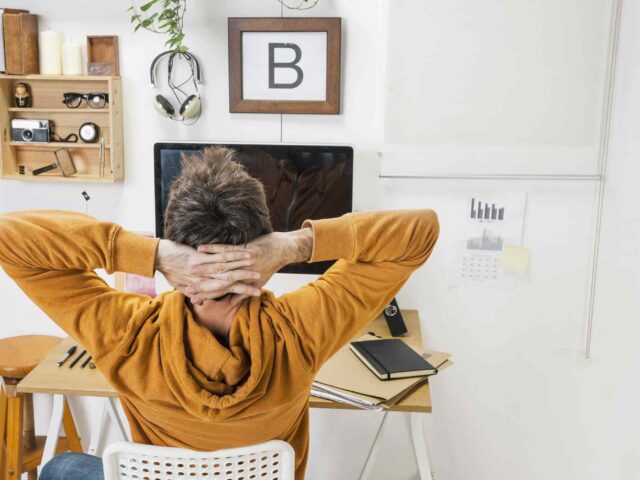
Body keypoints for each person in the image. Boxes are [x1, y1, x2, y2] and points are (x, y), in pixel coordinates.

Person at [0, 147, 439, 480]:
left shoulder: (126, 334)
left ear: (177, 255)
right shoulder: (301, 330)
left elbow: (10, 239)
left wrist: (152, 254)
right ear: (262, 253)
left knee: (61, 467)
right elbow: (420, 233)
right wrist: (294, 246)